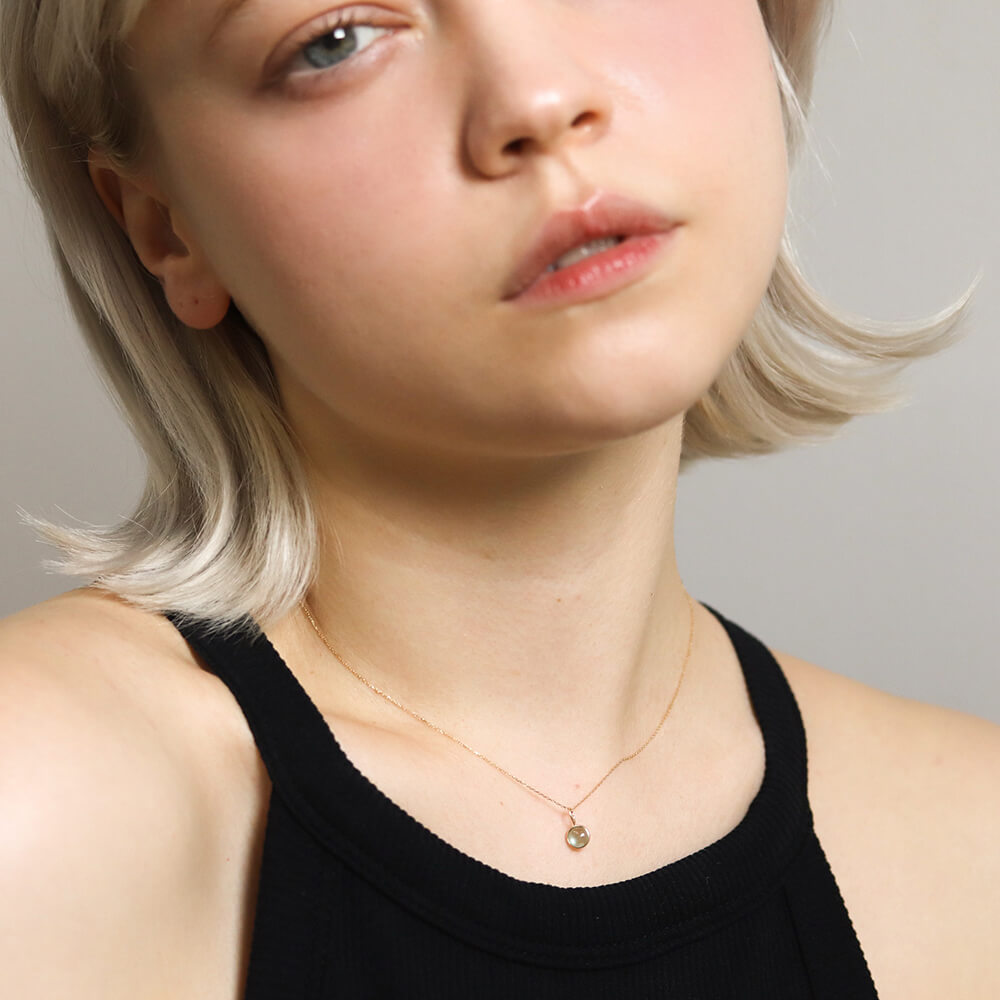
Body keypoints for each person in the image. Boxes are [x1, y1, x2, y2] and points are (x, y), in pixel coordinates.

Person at [0, 0, 997, 997]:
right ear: (163, 225)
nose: (540, 101)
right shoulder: (37, 808)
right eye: (334, 41)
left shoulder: (974, 850)